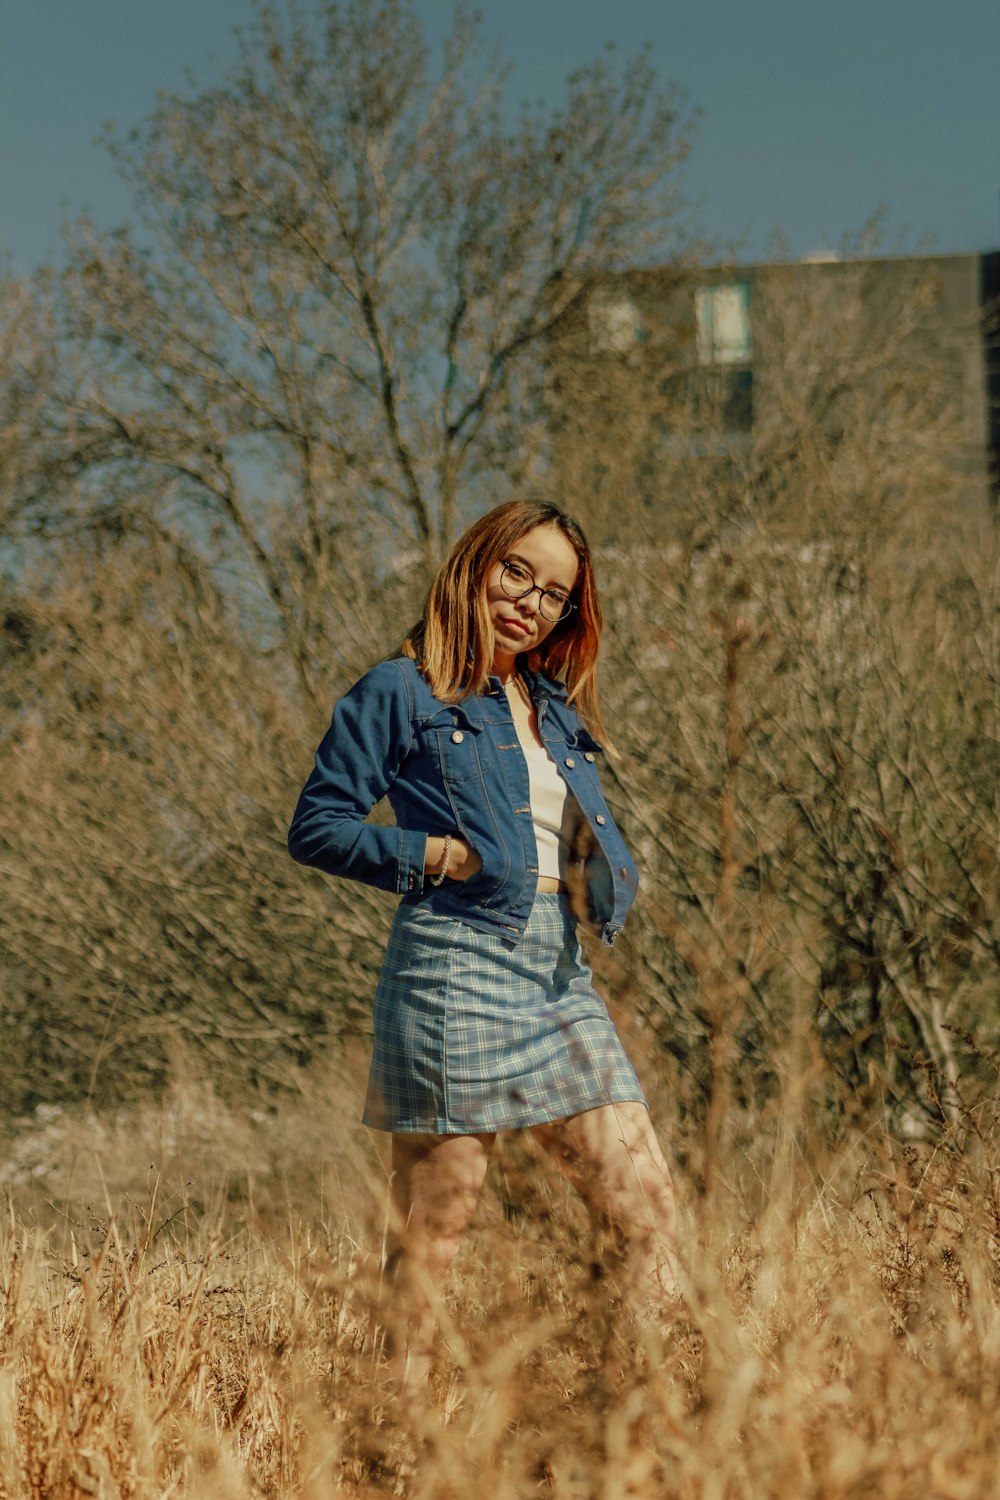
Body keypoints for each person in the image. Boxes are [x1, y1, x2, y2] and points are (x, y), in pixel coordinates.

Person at [288, 500, 678, 1381]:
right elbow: (317, 825)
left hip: (556, 974)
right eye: (517, 573)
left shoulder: (551, 706)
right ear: (477, 562)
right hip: (454, 962)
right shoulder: (400, 690)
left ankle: (618, 1427)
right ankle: (395, 1450)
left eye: (555, 596)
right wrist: (435, 852)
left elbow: (555, 832)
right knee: (434, 1241)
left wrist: (598, 876)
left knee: (646, 1210)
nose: (530, 603)